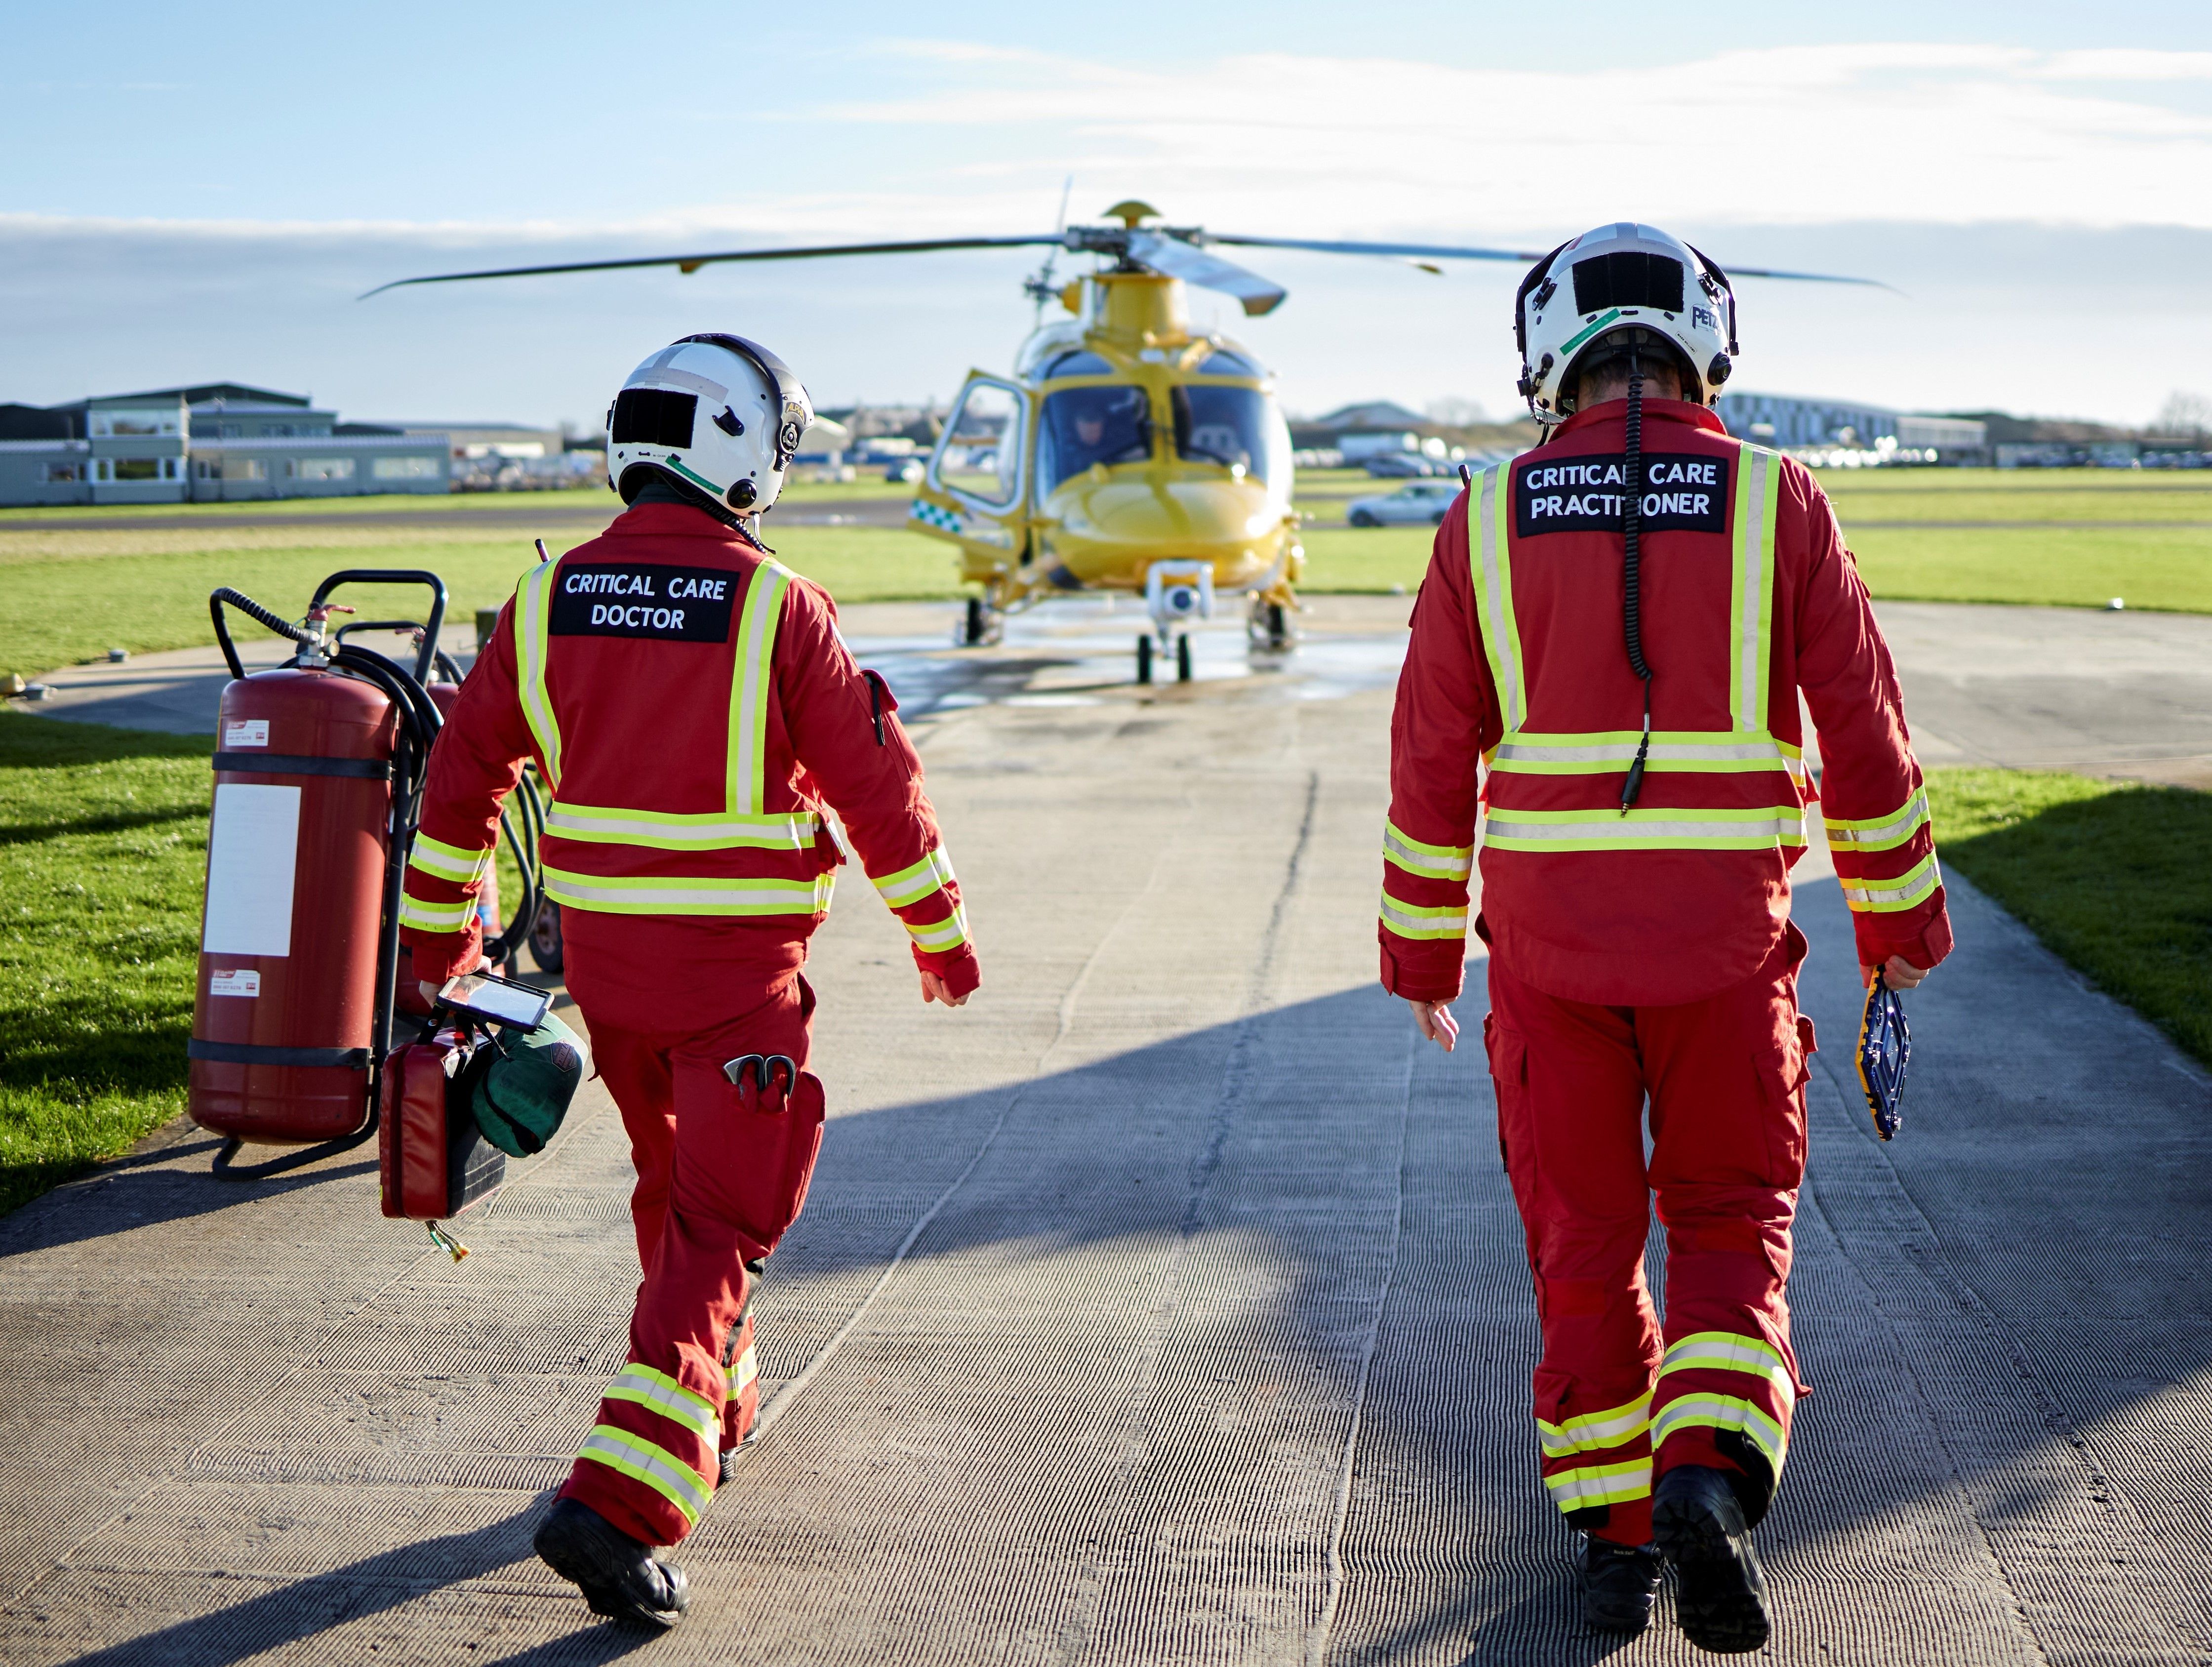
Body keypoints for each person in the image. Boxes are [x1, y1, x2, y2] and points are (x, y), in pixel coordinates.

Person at [1378, 224, 1951, 1653]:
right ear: (1709, 339)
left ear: (1547, 353)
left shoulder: (1483, 517)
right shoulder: (1779, 503)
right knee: (1729, 1219)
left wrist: (1422, 961)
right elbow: (1868, 743)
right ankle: (1709, 1472)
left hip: (1552, 969)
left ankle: (1617, 1553)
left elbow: (1432, 756)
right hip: (1727, 954)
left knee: (1582, 1246)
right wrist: (1900, 932)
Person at [398, 333, 980, 1629]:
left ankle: (721, 1390)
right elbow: (876, 787)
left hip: (612, 993)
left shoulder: (545, 603)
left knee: (674, 1190)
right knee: (727, 1217)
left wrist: (444, 959)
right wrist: (937, 931)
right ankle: (621, 1501)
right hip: (739, 995)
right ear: (732, 452)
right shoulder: (779, 605)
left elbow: (458, 791)